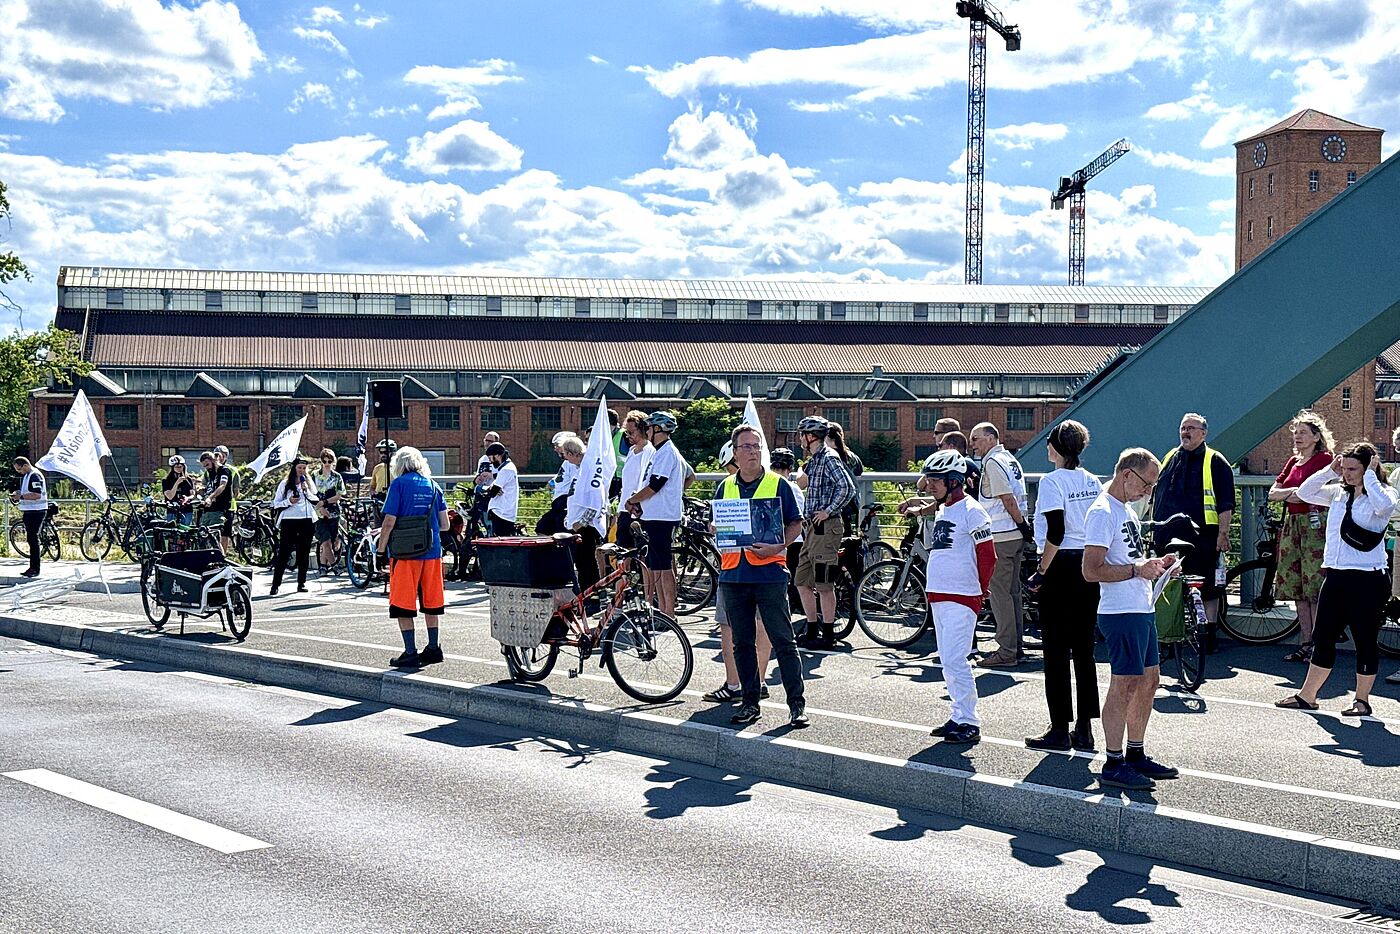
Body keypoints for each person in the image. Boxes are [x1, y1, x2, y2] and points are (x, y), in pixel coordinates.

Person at [1275, 443, 1398, 717]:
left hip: (1367, 579)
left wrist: (1370, 476)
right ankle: (1308, 695)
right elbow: (1304, 493)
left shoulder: (1383, 494)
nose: (1348, 473)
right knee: (1323, 636)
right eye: (1346, 468)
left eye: (1354, 469)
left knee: (1365, 639)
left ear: (1369, 469)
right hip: (1336, 576)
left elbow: (1385, 506)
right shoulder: (1338, 494)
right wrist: (1328, 470)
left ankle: (1362, 701)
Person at [1083, 448, 1179, 791]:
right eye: (1146, 483)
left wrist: (1153, 564)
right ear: (1126, 474)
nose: (1147, 492)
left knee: (1149, 681)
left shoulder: (1124, 511)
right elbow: (1091, 570)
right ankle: (1113, 761)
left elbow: (1127, 559)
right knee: (1124, 684)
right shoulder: (1102, 512)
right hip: (1121, 611)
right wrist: (1137, 569)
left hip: (1140, 606)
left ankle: (1135, 754)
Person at [897, 451, 995, 745]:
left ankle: (970, 721)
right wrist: (917, 508)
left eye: (935, 480)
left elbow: (988, 555)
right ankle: (958, 715)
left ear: (954, 481)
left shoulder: (973, 511)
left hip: (963, 594)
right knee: (947, 660)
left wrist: (981, 588)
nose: (929, 485)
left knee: (956, 659)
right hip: (940, 593)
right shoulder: (943, 509)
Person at [717, 426, 809, 729]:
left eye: (757, 446)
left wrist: (779, 545)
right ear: (735, 453)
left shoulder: (777, 484)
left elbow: (796, 523)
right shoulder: (725, 487)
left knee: (784, 641)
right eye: (747, 446)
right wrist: (716, 530)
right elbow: (717, 526)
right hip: (734, 575)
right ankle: (750, 703)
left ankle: (797, 705)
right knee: (741, 644)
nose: (754, 451)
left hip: (769, 574)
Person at [1026, 420, 1103, 752]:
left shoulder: (1051, 482)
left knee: (1055, 649)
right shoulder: (1092, 481)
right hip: (1088, 564)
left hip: (1061, 565)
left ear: (1056, 448)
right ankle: (1085, 728)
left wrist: (1041, 570)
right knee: (1084, 649)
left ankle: (1059, 727)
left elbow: (1054, 531)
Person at [703, 439, 775, 704]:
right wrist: (716, 526)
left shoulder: (736, 486)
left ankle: (737, 684)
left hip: (743, 568)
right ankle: (757, 682)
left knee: (732, 627)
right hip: (749, 567)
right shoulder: (738, 486)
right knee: (758, 626)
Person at [1153, 413, 1236, 625]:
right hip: (1168, 534)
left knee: (1207, 587)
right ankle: (1173, 634)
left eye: (1191, 428)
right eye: (1183, 428)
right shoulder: (1170, 456)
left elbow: (1226, 502)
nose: (1185, 432)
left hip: (1203, 536)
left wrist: (1223, 534)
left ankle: (1208, 634)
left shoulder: (1215, 461)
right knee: (1170, 584)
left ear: (1203, 433)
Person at [377, 446, 450, 668]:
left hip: (405, 553)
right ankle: (434, 647)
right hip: (432, 551)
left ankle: (410, 651)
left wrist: (380, 550)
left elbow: (389, 521)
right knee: (431, 601)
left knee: (403, 602)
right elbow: (445, 524)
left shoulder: (398, 484)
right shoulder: (433, 485)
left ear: (399, 465)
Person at [1269, 411, 1334, 663]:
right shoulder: (1293, 461)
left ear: (1317, 436)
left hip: (1316, 526)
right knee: (1295, 584)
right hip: (1292, 524)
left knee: (1314, 585)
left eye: (1303, 432)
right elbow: (1274, 492)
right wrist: (1296, 493)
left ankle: (1319, 644)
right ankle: (1306, 642)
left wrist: (1294, 494)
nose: (1298, 437)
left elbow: (1314, 494)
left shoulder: (1324, 460)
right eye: (1296, 433)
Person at [970, 422, 1031, 667]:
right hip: (1014, 535)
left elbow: (1007, 498)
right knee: (1013, 592)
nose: (972, 444)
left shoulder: (992, 463)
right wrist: (1024, 527)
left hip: (1001, 535)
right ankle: (1016, 646)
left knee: (1000, 595)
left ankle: (1006, 651)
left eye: (976, 439)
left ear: (990, 438)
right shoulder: (1010, 460)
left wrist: (1020, 524)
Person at [792, 415, 855, 647]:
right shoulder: (816, 459)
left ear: (810, 437)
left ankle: (828, 635)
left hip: (825, 528)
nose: (800, 439)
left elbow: (847, 487)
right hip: (812, 529)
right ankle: (812, 630)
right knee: (802, 580)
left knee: (824, 584)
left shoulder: (829, 458)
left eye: (802, 434)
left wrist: (828, 511)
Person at [623, 411, 686, 619]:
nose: (647, 431)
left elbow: (655, 485)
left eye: (649, 428)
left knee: (664, 566)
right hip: (653, 515)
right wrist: (638, 502)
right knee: (656, 565)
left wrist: (633, 500)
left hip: (663, 517)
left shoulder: (667, 452)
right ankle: (662, 610)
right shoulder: (660, 452)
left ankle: (669, 612)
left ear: (657, 429)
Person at [558, 435, 602, 593]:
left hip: (584, 526)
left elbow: (595, 499)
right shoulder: (580, 469)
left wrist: (582, 522)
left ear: (571, 453)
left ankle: (592, 596)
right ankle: (586, 594)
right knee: (582, 563)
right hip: (576, 523)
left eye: (564, 455)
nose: (565, 459)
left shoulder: (588, 469)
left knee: (586, 563)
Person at [270, 458, 318, 596]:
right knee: (284, 553)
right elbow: (276, 503)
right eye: (299, 468)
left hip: (306, 519)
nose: (302, 470)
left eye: (304, 468)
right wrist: (289, 501)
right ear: (294, 469)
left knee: (304, 552)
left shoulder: (308, 482)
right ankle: (275, 584)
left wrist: (306, 489)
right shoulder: (285, 484)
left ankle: (301, 582)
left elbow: (314, 498)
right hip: (289, 520)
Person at [770, 447, 806, 614]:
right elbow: (802, 514)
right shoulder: (794, 488)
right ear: (790, 469)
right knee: (793, 580)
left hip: (774, 540)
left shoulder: (767, 485)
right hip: (796, 540)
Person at [10, 457, 47, 578]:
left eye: (19, 469)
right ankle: (32, 567)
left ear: (25, 465)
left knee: (33, 539)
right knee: (31, 539)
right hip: (30, 511)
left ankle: (35, 568)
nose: (19, 472)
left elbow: (36, 494)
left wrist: (20, 497)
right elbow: (28, 491)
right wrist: (19, 493)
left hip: (36, 511)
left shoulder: (34, 475)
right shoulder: (27, 476)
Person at [538, 431, 579, 534]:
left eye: (557, 445)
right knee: (542, 528)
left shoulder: (572, 462)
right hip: (558, 502)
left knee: (548, 529)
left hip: (564, 501)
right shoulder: (566, 462)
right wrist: (553, 482)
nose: (555, 448)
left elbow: (575, 481)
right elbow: (563, 477)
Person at [826, 422, 863, 535]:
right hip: (852, 504)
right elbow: (859, 471)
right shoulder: (851, 456)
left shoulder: (829, 457)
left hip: (836, 507)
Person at [313, 448, 346, 572]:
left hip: (333, 512)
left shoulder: (337, 477)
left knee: (329, 541)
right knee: (325, 541)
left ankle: (322, 566)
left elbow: (339, 495)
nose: (327, 463)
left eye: (329, 461)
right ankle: (335, 567)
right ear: (321, 461)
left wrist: (325, 502)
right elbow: (310, 494)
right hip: (318, 514)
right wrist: (320, 507)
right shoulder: (315, 475)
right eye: (324, 460)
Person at [197, 450, 234, 552]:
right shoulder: (211, 473)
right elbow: (211, 487)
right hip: (208, 510)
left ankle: (221, 559)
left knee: (214, 538)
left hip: (219, 509)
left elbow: (222, 485)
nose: (207, 468)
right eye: (204, 466)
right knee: (202, 536)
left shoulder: (224, 471)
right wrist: (202, 490)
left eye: (207, 465)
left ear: (213, 460)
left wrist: (210, 497)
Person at [482, 442, 519, 536]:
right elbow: (495, 487)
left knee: (501, 541)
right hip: (505, 512)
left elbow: (492, 492)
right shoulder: (508, 467)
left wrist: (490, 489)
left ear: (498, 456)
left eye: (491, 458)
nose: (490, 461)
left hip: (501, 512)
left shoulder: (506, 470)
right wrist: (492, 488)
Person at [214, 444, 238, 553]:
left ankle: (223, 556)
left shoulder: (232, 470)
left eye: (221, 455)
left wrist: (229, 498)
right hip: (213, 507)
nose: (218, 457)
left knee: (225, 533)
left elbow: (236, 490)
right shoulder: (210, 469)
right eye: (216, 455)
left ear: (226, 456)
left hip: (229, 506)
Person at [939, 431, 979, 498]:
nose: (938, 449)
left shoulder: (962, 465)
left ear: (951, 447)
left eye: (940, 446)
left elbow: (947, 498)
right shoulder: (966, 463)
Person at [161, 454, 196, 524]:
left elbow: (193, 494)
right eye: (177, 467)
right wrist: (177, 483)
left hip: (186, 510)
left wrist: (187, 498)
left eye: (181, 467)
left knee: (186, 531)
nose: (179, 469)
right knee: (171, 531)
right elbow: (169, 496)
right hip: (172, 510)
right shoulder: (166, 480)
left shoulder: (188, 479)